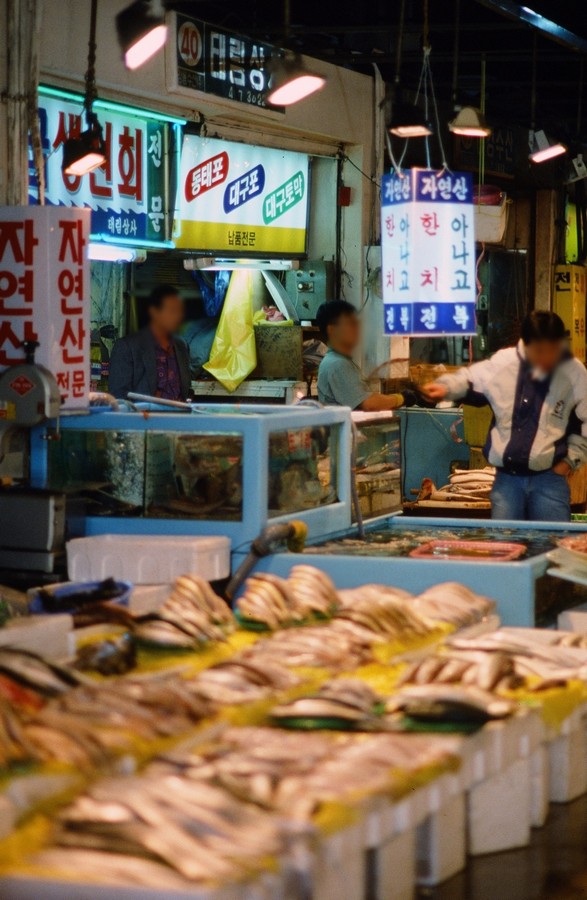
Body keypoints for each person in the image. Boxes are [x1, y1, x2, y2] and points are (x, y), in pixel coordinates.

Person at [423, 311, 587, 522]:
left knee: (551, 546)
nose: (547, 357)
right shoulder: (503, 363)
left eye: (553, 350)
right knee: (505, 544)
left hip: (550, 480)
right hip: (507, 481)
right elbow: (470, 379)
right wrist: (445, 387)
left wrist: (569, 461)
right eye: (540, 351)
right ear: (525, 345)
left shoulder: (575, 372)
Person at [316, 300, 413, 410]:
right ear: (332, 330)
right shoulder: (337, 364)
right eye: (350, 324)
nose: (357, 330)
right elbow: (369, 403)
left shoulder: (338, 361)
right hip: (344, 427)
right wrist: (402, 398)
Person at [109, 285, 192, 401]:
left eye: (180, 311)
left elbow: (186, 390)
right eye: (172, 311)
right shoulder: (127, 347)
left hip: (177, 417)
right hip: (143, 417)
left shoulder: (181, 346)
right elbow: (118, 398)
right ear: (154, 312)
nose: (178, 317)